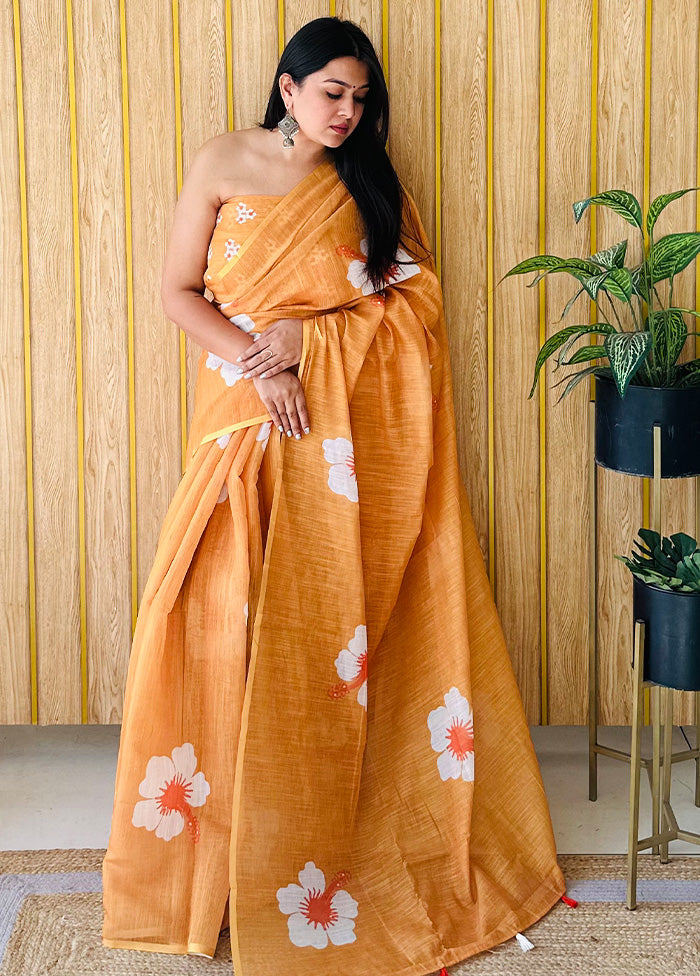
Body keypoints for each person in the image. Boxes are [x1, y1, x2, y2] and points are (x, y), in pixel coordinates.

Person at [101, 16, 565, 976]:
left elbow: (414, 305)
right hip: (241, 424)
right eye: (331, 94)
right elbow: (178, 291)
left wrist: (312, 346)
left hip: (339, 442)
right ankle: (210, 873)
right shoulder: (223, 160)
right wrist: (260, 362)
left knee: (320, 643)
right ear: (287, 87)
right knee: (214, 628)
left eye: (361, 98)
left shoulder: (371, 185)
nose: (348, 113)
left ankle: (316, 851)